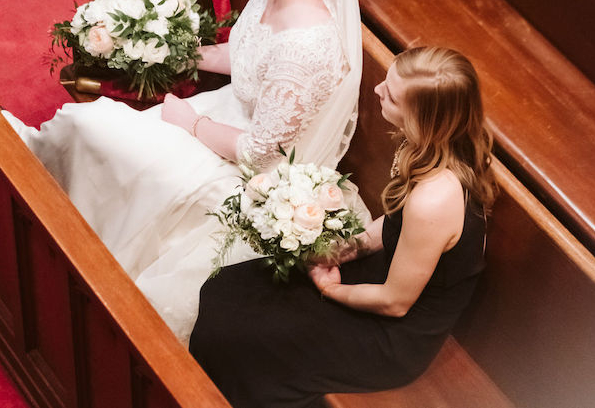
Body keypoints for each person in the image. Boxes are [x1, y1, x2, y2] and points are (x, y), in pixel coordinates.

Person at [5, 0, 362, 342]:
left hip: (244, 168)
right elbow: (249, 58)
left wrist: (189, 122)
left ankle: (73, 247)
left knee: (101, 133)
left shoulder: (308, 44)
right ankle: (39, 206)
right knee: (89, 125)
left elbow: (259, 153)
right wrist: (173, 50)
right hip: (222, 117)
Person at [190, 47, 496, 408]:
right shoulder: (437, 148)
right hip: (386, 275)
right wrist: (346, 248)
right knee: (226, 289)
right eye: (389, 78)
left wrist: (329, 289)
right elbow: (396, 224)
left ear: (420, 119)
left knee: (241, 335)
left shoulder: (436, 199)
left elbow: (394, 303)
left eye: (393, 95)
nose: (379, 89)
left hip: (394, 334)